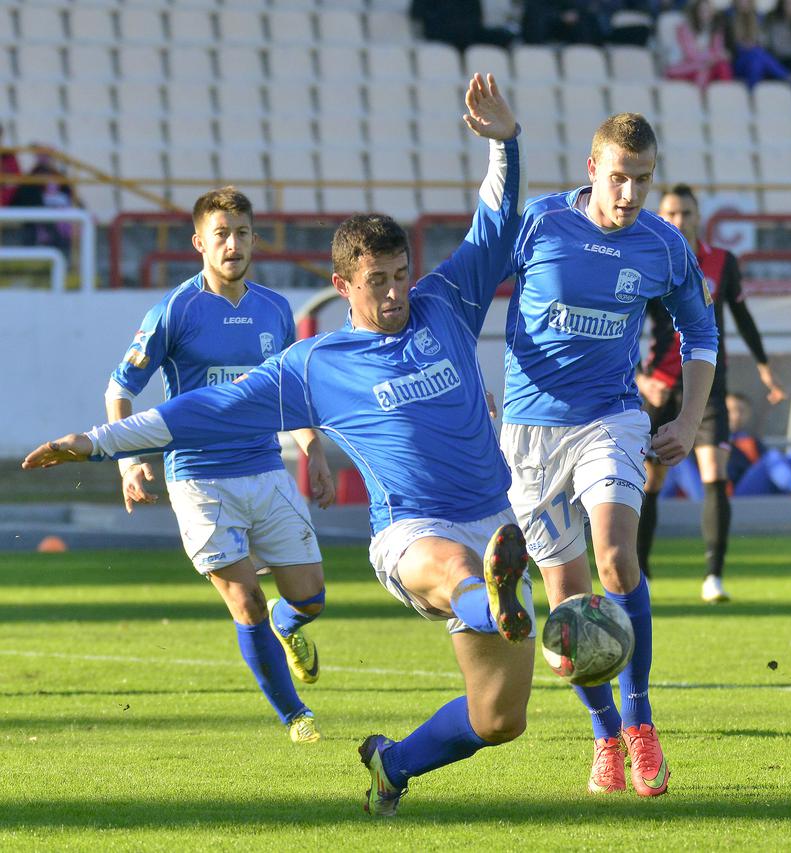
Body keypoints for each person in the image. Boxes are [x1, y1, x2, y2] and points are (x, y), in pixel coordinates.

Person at [27, 75, 532, 816]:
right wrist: (98, 442)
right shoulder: (316, 365)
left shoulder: (445, 302)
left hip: (495, 517)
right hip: (413, 533)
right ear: (341, 285)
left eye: (400, 276)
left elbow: (493, 220)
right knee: (457, 569)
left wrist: (504, 144)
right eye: (376, 282)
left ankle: (391, 763)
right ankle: (507, 609)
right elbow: (203, 409)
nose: (394, 293)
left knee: (499, 719)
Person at [499, 112, 718, 797]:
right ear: (592, 169)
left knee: (617, 558)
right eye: (619, 177)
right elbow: (467, 289)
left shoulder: (663, 244)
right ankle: (602, 735)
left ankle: (640, 720)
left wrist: (687, 414)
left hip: (611, 418)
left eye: (642, 180)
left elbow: (701, 332)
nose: (629, 194)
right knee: (567, 602)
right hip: (530, 433)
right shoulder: (538, 224)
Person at [102, 185, 334, 744]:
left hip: (263, 467)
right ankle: (295, 716)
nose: (233, 244)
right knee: (244, 600)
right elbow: (120, 387)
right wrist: (130, 460)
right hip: (200, 478)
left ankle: (288, 621)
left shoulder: (275, 310)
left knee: (310, 597)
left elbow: (287, 392)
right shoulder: (175, 310)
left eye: (242, 233)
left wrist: (313, 448)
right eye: (221, 235)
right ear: (199, 243)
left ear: (255, 239)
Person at [636, 183, 787, 602]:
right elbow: (625, 324)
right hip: (661, 388)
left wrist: (765, 370)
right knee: (650, 481)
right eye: (670, 213)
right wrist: (637, 377)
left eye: (685, 213)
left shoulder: (721, 262)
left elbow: (741, 316)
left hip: (707, 387)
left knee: (715, 476)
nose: (678, 220)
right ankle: (640, 573)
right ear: (660, 216)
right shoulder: (647, 261)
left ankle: (713, 576)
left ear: (698, 217)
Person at [664, 0, 733, 90]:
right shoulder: (685, 28)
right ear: (696, 12)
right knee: (707, 68)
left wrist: (715, 58)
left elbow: (718, 51)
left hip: (708, 66)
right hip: (687, 67)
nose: (706, 13)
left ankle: (725, 96)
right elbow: (691, 54)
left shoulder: (716, 29)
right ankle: (702, 96)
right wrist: (711, 58)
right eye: (702, 10)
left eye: (709, 10)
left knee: (723, 66)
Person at [724, 0, 791, 88]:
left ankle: (752, 91)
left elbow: (764, 42)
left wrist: (754, 44)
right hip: (737, 60)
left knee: (757, 60)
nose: (743, 2)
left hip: (754, 58)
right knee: (757, 54)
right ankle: (787, 76)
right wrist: (743, 46)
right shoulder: (727, 17)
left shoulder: (759, 17)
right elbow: (728, 46)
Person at [411, 0, 514, 49]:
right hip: (441, 34)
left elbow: (476, 19)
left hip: (468, 34)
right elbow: (417, 14)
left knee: (506, 37)